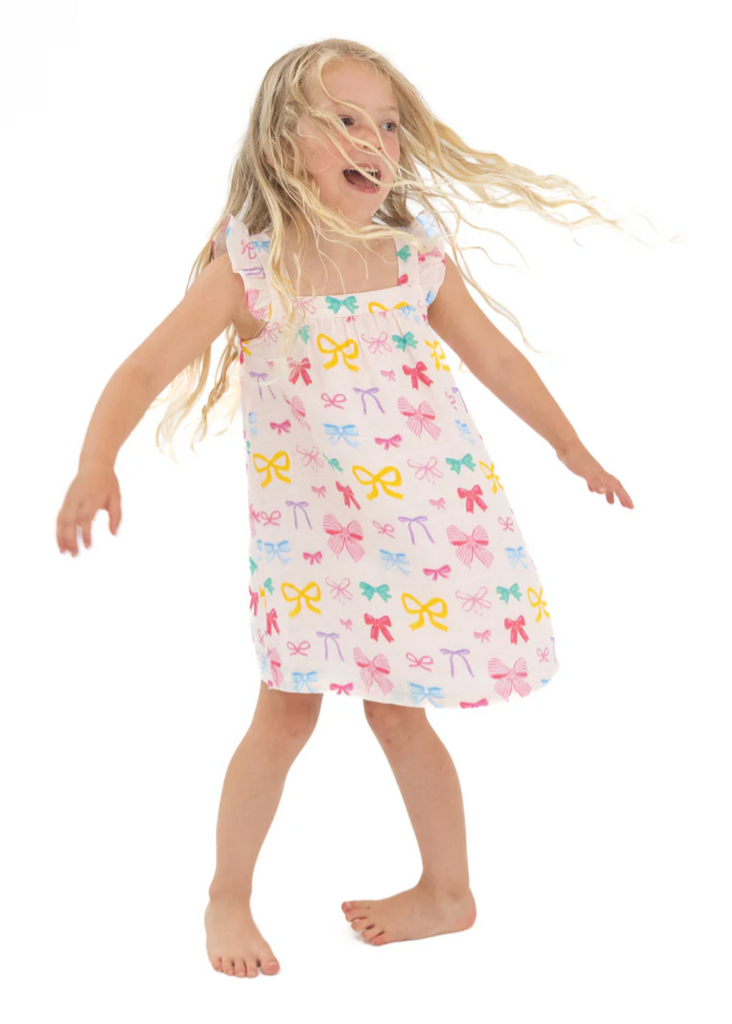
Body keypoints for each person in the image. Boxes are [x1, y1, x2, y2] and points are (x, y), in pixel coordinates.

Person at [55, 38, 638, 979]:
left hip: (420, 530)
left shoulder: (414, 259)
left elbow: (495, 358)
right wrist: (96, 460)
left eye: (390, 125)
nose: (376, 141)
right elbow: (144, 366)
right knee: (284, 716)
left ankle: (447, 892)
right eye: (347, 122)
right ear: (284, 145)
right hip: (312, 545)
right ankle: (227, 895)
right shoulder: (251, 270)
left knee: (400, 717)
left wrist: (570, 448)